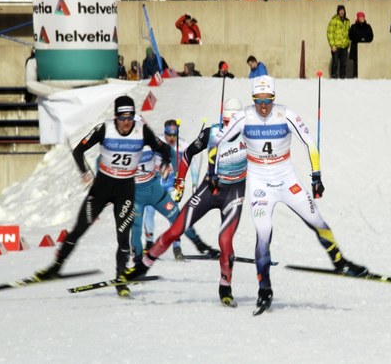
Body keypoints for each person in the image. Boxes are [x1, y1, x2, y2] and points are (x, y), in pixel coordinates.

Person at [200, 76, 367, 311]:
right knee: (264, 232)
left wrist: (316, 176)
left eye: (268, 100)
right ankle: (264, 288)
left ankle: (340, 262)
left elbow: (310, 143)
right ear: (253, 100)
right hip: (260, 181)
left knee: (316, 220)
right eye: (258, 101)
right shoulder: (244, 116)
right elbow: (216, 142)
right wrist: (212, 171)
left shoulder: (285, 114)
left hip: (287, 179)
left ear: (274, 99)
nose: (263, 106)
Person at [33, 96, 171, 298]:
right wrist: (85, 172)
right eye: (122, 117)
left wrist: (166, 163)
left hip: (125, 189)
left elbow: (165, 149)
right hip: (102, 187)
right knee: (78, 229)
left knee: (123, 238)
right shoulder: (105, 129)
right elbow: (79, 150)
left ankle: (121, 279)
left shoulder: (142, 131)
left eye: (130, 116)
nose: (126, 122)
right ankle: (55, 267)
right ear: (115, 116)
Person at [124, 99, 246, 306]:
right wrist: (180, 181)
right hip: (210, 189)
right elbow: (188, 153)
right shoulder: (212, 133)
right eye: (225, 121)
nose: (229, 126)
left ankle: (225, 287)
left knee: (225, 242)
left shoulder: (249, 134)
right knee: (176, 228)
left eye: (232, 121)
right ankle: (142, 266)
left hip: (233, 192)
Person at [130, 126, 212, 264]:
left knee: (175, 216)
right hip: (156, 183)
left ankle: (177, 247)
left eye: (174, 135)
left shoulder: (183, 144)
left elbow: (192, 165)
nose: (171, 138)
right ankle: (148, 246)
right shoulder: (156, 139)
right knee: (148, 214)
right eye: (169, 135)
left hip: (171, 186)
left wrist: (192, 185)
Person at [327, 4, 350, 78]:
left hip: (344, 46)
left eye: (342, 10)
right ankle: (333, 76)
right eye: (340, 10)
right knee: (335, 62)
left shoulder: (347, 21)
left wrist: (348, 43)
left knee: (344, 63)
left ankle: (342, 77)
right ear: (338, 11)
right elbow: (330, 33)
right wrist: (332, 45)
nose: (341, 12)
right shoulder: (334, 20)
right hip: (336, 46)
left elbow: (348, 33)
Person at [348, 11, 374, 77]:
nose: (362, 18)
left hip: (365, 48)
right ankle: (355, 75)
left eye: (363, 17)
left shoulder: (368, 26)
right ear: (357, 18)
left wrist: (364, 40)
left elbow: (371, 36)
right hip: (355, 48)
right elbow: (351, 36)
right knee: (356, 63)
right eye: (360, 17)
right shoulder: (354, 26)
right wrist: (359, 40)